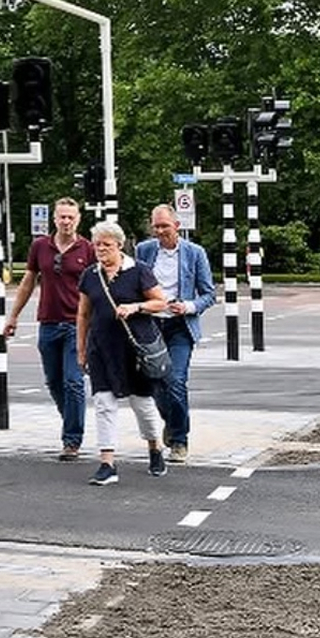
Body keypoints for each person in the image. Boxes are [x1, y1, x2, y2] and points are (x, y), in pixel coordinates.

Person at [76, 220, 170, 485]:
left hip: (134, 349)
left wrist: (136, 307)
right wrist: (81, 349)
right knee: (104, 403)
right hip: (101, 348)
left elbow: (160, 302)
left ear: (119, 245)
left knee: (141, 403)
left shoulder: (139, 271)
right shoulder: (90, 275)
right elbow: (83, 314)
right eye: (97, 245)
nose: (100, 249)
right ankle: (107, 463)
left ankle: (155, 447)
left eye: (106, 245)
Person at [4, 197, 94, 460]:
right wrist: (14, 316)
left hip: (76, 325)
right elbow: (29, 281)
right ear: (54, 219)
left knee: (73, 381)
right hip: (48, 323)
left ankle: (72, 441)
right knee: (54, 382)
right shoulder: (40, 246)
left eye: (71, 217)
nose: (66, 221)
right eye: (62, 217)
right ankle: (71, 420)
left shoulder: (86, 249)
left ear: (78, 220)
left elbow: (95, 288)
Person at [135, 204, 216, 464]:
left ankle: (179, 440)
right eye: (156, 226)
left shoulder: (194, 253)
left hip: (180, 326)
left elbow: (209, 293)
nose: (159, 231)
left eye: (164, 226)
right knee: (156, 383)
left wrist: (189, 306)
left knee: (176, 381)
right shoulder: (144, 250)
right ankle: (171, 421)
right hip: (152, 325)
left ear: (177, 226)